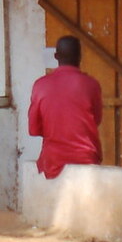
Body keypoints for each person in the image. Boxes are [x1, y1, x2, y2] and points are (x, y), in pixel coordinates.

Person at [28, 34, 103, 179]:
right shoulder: (92, 84)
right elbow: (96, 120)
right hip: (87, 161)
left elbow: (34, 129)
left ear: (56, 56)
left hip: (53, 163)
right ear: (80, 56)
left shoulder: (41, 85)